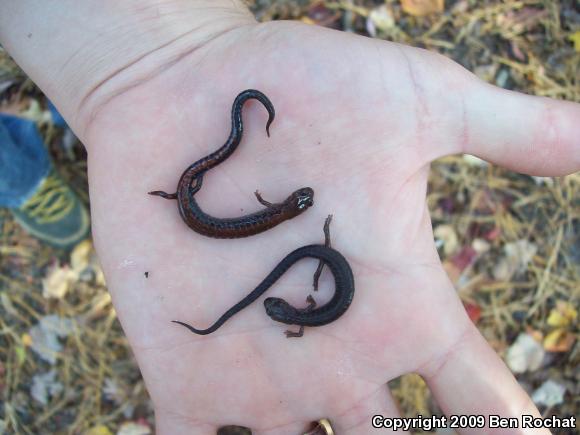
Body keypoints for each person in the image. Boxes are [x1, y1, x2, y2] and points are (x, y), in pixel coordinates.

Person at [1, 1, 578, 434]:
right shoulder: (297, 274)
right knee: (249, 219)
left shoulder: (302, 283)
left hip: (236, 220)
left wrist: (129, 65)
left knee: (249, 221)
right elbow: (294, 260)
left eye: (276, 307)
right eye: (279, 308)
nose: (276, 307)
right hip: (238, 222)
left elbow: (298, 263)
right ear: (295, 312)